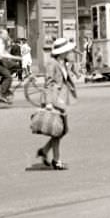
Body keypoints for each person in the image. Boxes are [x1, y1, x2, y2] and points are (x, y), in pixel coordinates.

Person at [36, 37, 77, 170]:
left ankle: (45, 150)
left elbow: (66, 79)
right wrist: (49, 103)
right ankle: (56, 160)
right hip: (54, 100)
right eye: (68, 50)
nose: (70, 52)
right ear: (62, 52)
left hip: (60, 99)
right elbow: (49, 83)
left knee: (61, 130)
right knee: (59, 131)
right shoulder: (52, 63)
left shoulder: (61, 62)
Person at [0, 27, 21, 104]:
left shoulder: (1, 42)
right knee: (9, 77)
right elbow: (0, 54)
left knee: (15, 66)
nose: (7, 35)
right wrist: (15, 57)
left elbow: (5, 53)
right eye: (6, 34)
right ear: (1, 34)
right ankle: (3, 95)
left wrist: (16, 58)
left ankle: (3, 83)